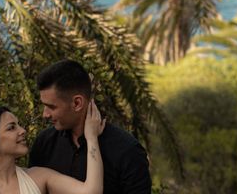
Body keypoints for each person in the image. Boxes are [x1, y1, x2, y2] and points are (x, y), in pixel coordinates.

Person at [29, 60, 152, 194]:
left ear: (77, 103)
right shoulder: (44, 143)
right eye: (44, 105)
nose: (45, 114)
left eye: (52, 107)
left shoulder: (127, 151)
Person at [0, 101, 105, 194]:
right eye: (11, 127)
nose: (22, 130)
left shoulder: (39, 177)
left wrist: (91, 138)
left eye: (19, 124)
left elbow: (91, 191)